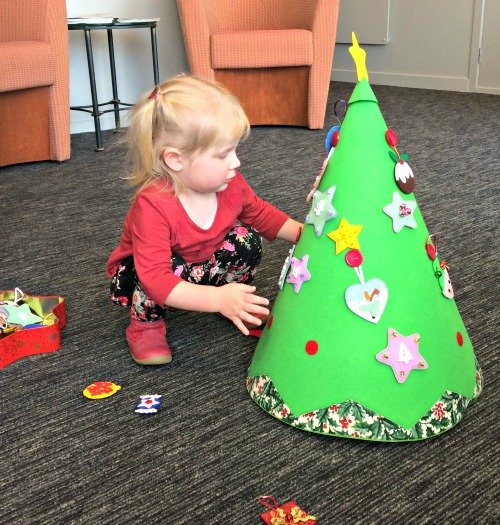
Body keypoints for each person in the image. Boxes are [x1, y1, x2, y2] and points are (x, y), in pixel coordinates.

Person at [106, 74, 302, 365]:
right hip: (155, 276)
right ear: (175, 159)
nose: (236, 162)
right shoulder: (153, 205)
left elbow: (261, 214)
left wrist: (305, 234)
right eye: (223, 154)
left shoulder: (229, 182)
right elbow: (157, 279)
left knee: (246, 239)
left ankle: (237, 300)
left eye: (234, 151)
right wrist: (215, 301)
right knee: (148, 273)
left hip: (203, 264)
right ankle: (146, 324)